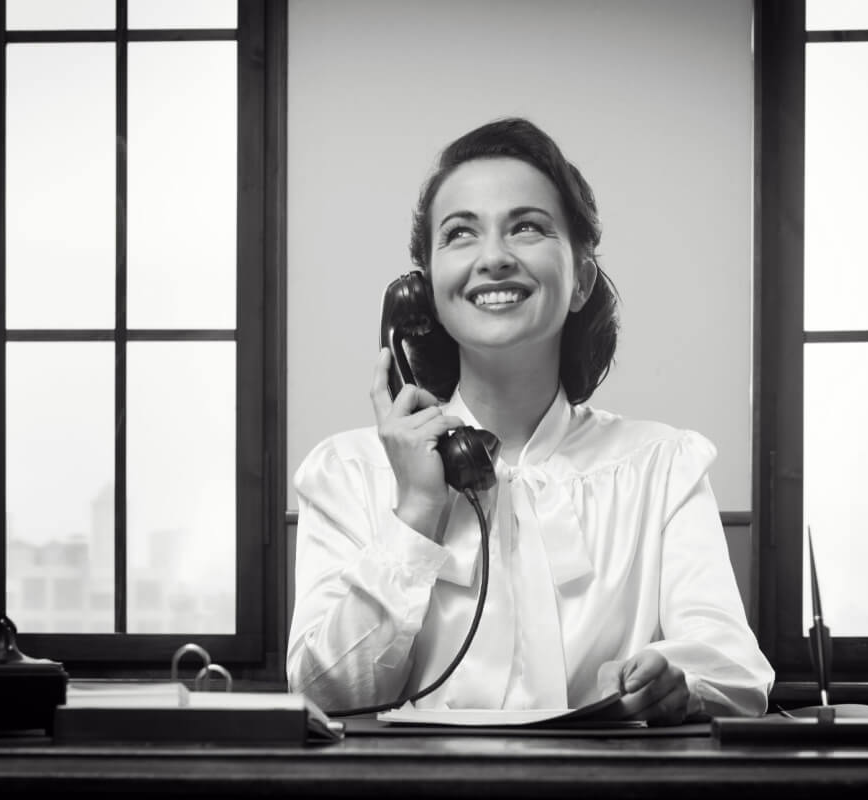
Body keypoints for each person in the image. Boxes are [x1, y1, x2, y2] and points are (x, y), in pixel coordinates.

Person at [287, 117, 774, 722]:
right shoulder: (347, 471)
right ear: (424, 289)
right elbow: (322, 692)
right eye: (461, 234)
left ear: (580, 279)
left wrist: (681, 684)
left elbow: (735, 672)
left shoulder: (663, 466)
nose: (493, 258)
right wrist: (415, 514)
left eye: (527, 227)